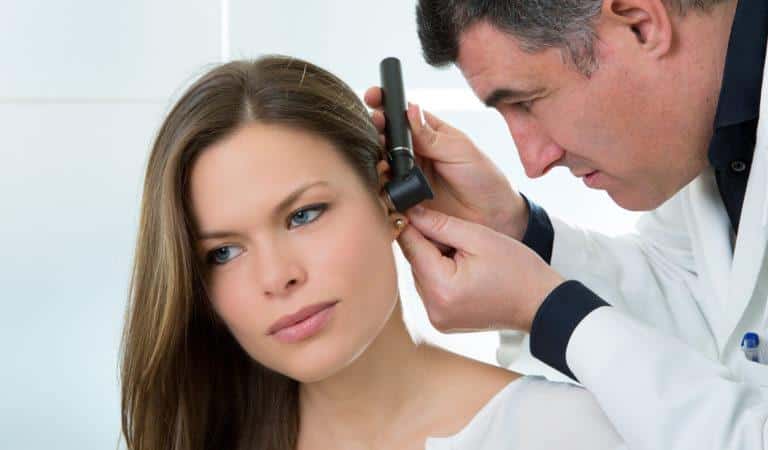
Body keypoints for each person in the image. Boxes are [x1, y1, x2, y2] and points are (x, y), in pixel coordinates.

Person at [118, 55, 624, 450]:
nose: (277, 277)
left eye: (303, 215)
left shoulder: (568, 433)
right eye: (225, 251)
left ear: (389, 197)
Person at [362, 0, 768, 449]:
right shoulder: (709, 140)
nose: (533, 162)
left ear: (640, 24)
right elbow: (702, 303)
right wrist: (517, 233)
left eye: (528, 102)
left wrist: (546, 311)